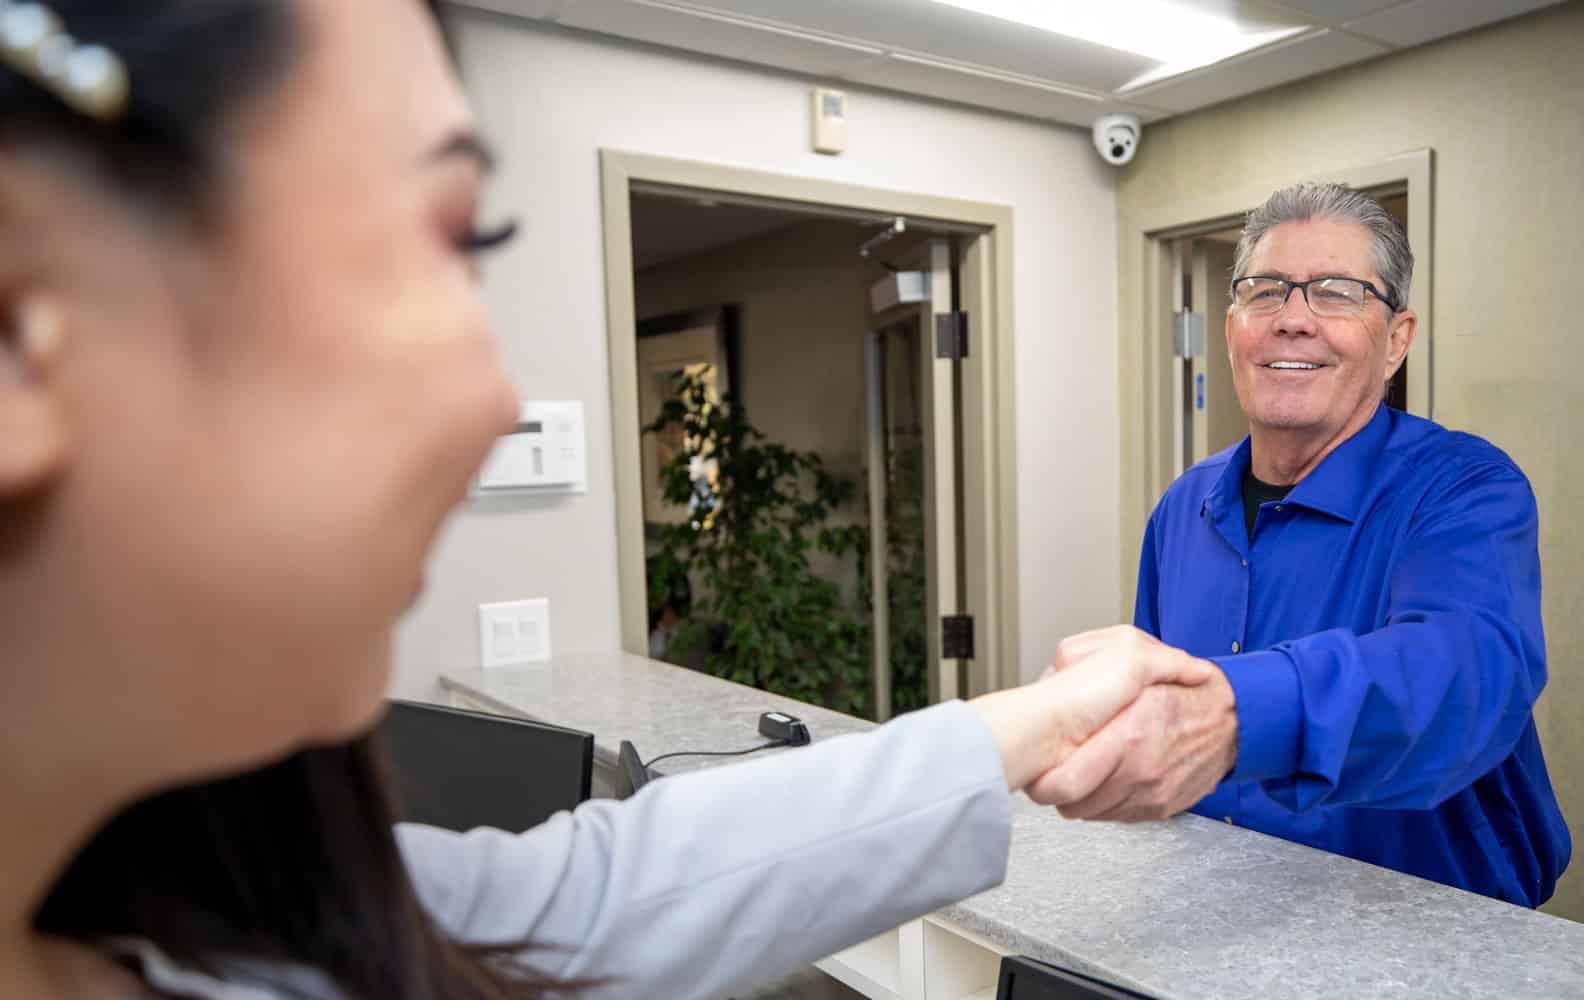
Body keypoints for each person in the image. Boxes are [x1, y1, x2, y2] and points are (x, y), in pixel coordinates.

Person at [0, 3, 1205, 997]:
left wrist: (1033, 722)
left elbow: (601, 892)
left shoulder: (228, 913)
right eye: (444, 237)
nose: (496, 400)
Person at [1027, 183, 1571, 908]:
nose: (1292, 320)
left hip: (1426, 936)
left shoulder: (1462, 491)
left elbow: (1462, 675)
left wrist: (1234, 715)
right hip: (1216, 918)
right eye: (1265, 291)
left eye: (1338, 293)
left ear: (1397, 341)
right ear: (1231, 332)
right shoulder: (1182, 510)